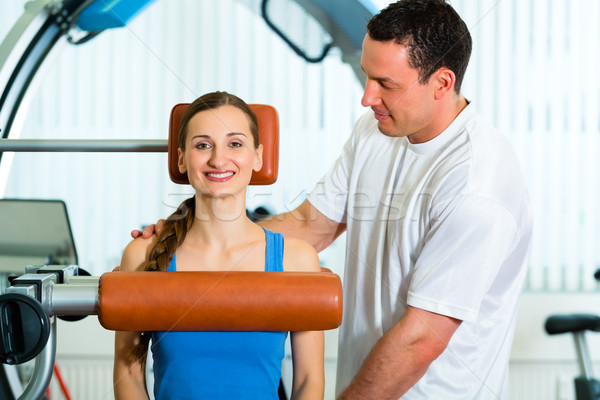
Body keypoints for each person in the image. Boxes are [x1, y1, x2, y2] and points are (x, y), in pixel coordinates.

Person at [137, 1, 533, 398]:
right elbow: (313, 226)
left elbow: (421, 340)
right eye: (367, 76)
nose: (366, 98)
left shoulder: (477, 185)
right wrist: (196, 236)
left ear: (442, 83)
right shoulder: (378, 130)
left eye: (385, 84)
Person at [115, 91, 324, 400]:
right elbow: (128, 374)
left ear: (258, 157)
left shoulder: (298, 260)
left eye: (235, 144)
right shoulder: (142, 254)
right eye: (203, 145)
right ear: (182, 159)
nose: (218, 159)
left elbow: (308, 380)